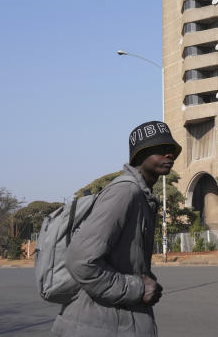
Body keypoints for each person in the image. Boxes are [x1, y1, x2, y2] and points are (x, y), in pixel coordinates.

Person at [52, 121, 182, 337]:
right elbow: (80, 261)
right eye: (160, 150)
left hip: (118, 321)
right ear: (140, 155)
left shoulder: (143, 196)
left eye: (171, 150)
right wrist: (138, 288)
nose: (169, 155)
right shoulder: (124, 192)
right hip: (99, 324)